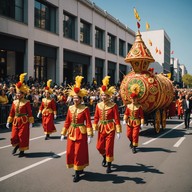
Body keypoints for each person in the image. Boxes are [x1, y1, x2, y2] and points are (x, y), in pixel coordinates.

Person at [60, 76, 93, 182]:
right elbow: (67, 121)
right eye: (74, 98)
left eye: (77, 98)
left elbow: (88, 122)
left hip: (81, 132)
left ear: (81, 99)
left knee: (78, 152)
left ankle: (77, 172)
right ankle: (78, 168)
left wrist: (89, 134)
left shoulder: (85, 109)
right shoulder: (70, 108)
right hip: (71, 132)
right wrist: (63, 133)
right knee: (70, 152)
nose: (75, 99)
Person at [93, 76, 122, 173]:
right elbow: (96, 117)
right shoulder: (98, 105)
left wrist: (118, 131)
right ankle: (104, 157)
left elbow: (117, 118)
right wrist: (94, 126)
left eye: (105, 95)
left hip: (110, 128)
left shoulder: (113, 106)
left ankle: (109, 165)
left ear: (109, 96)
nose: (103, 97)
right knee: (99, 147)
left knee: (109, 147)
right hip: (101, 128)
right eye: (102, 95)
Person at [6, 73, 34, 157]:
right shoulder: (14, 102)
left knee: (22, 136)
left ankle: (22, 151)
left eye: (19, 93)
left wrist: (31, 122)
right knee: (14, 136)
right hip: (15, 121)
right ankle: (17, 146)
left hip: (24, 121)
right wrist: (8, 121)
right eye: (17, 93)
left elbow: (29, 112)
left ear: (23, 94)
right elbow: (11, 112)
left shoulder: (27, 102)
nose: (17, 95)